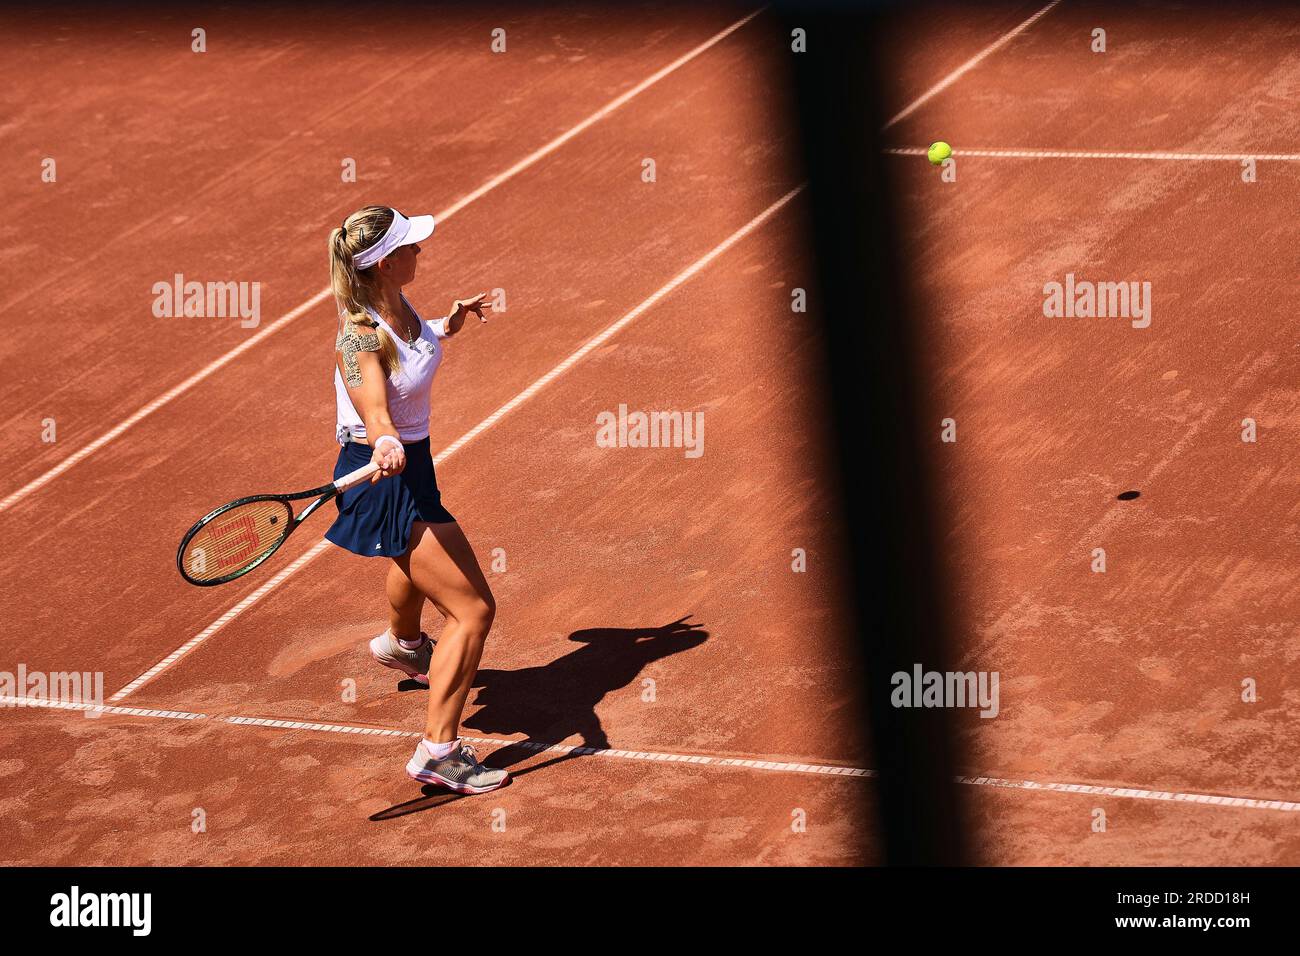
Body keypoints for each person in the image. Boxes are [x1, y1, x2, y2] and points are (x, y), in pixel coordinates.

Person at [325, 204, 507, 794]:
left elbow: (412, 348)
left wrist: (447, 325)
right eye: (410, 246)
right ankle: (439, 750)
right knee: (474, 611)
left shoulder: (399, 311)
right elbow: (375, 408)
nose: (419, 252)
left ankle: (402, 645)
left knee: (414, 559)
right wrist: (383, 441)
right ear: (382, 262)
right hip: (381, 475)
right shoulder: (357, 340)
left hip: (415, 467)